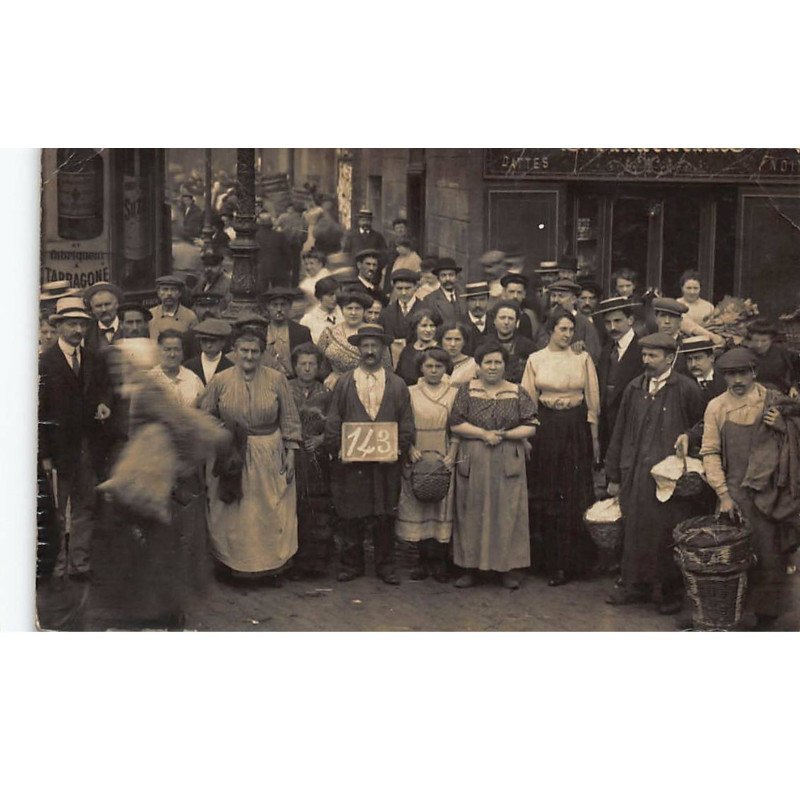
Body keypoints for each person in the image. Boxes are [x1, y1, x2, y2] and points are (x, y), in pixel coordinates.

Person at [605, 332, 706, 614]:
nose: (646, 361)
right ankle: (635, 586)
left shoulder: (685, 389)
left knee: (666, 531)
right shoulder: (634, 388)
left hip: (668, 476)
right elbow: (620, 430)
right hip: (635, 471)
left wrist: (688, 436)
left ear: (670, 358)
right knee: (634, 528)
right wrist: (614, 473)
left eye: (653, 356)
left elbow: (702, 425)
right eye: (644, 355)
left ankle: (669, 591)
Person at [700, 347, 799, 629]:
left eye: (743, 373)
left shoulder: (773, 402)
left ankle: (767, 616)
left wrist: (783, 427)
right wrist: (724, 495)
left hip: (770, 492)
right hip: (736, 492)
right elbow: (710, 452)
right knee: (737, 557)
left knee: (770, 555)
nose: (738, 380)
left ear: (754, 373)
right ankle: (735, 613)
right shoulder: (717, 407)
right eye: (731, 374)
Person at [201, 327, 303, 581]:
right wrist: (224, 433)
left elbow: (289, 417)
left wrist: (290, 453)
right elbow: (205, 415)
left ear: (262, 353)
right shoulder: (220, 380)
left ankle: (270, 567)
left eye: (254, 351)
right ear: (234, 352)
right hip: (230, 453)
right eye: (244, 351)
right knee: (232, 511)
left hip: (268, 449)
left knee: (267, 508)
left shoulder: (276, 379)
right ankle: (233, 566)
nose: (249, 356)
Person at [324, 324, 415, 585]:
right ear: (358, 349)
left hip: (386, 463)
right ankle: (351, 564)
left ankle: (385, 565)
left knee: (384, 512)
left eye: (375, 346)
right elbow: (334, 420)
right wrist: (338, 449)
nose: (370, 351)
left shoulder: (397, 384)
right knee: (351, 512)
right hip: (353, 463)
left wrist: (398, 448)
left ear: (383, 349)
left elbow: (406, 422)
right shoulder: (345, 382)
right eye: (365, 346)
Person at [449, 342, 539, 589]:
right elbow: (455, 424)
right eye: (487, 362)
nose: (492, 367)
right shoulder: (467, 390)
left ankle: (507, 568)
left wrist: (505, 435)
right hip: (474, 455)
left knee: (507, 511)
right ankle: (470, 568)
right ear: (478, 366)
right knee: (470, 510)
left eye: (497, 362)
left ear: (505, 366)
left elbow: (530, 425)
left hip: (507, 456)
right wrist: (482, 434)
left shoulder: (517, 391)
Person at [522, 311, 600, 586]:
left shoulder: (582, 358)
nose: (568, 334)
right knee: (548, 492)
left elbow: (592, 402)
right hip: (547, 429)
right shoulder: (536, 359)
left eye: (571, 329)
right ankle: (548, 562)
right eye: (562, 329)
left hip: (575, 428)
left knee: (573, 492)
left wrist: (594, 439)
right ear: (550, 330)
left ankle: (573, 563)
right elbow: (528, 401)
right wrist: (528, 437)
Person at [38, 297, 111, 580]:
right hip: (58, 449)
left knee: (85, 505)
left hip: (88, 446)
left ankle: (80, 563)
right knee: (56, 509)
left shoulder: (93, 358)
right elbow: (37, 411)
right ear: (58, 327)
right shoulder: (45, 363)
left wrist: (105, 404)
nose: (77, 329)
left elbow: (103, 391)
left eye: (81, 323)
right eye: (71, 324)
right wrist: (43, 454)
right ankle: (56, 566)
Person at [395, 348, 459, 581]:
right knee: (418, 502)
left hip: (442, 452)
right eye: (429, 366)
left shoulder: (453, 393)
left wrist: (452, 453)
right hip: (418, 452)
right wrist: (409, 449)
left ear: (446, 368)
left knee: (442, 504)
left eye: (439, 367)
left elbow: (457, 427)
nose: (434, 371)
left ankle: (439, 561)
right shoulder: (410, 392)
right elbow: (402, 423)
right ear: (421, 368)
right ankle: (421, 561)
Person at [288, 343, 334, 578]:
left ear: (318, 367)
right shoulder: (285, 389)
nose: (307, 369)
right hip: (291, 456)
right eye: (302, 364)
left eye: (311, 364)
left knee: (316, 507)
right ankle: (293, 562)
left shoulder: (326, 393)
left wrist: (321, 439)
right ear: (295, 366)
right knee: (292, 507)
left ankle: (316, 563)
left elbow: (336, 423)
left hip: (316, 459)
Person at [594, 297, 644, 460]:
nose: (612, 327)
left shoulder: (643, 350)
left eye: (617, 321)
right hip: (608, 425)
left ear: (630, 320)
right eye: (608, 322)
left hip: (632, 423)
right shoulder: (607, 349)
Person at [317, 290, 392, 389]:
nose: (353, 313)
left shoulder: (374, 332)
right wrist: (329, 376)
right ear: (342, 309)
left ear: (364, 311)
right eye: (349, 308)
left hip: (367, 386)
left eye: (358, 308)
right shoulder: (329, 333)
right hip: (335, 386)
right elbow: (319, 363)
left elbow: (386, 367)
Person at [260, 286, 313, 378]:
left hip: (292, 381)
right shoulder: (261, 331)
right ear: (268, 307)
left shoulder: (301, 332)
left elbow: (309, 359)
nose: (279, 309)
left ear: (290, 306)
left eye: (283, 305)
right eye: (275, 305)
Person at [545, 279, 602, 362]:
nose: (556, 300)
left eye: (561, 296)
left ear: (573, 300)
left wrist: (582, 349)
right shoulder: (547, 321)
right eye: (553, 296)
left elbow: (595, 355)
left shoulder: (585, 323)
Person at [486, 300, 536, 384]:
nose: (506, 322)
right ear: (494, 320)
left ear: (517, 322)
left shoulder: (528, 347)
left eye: (511, 318)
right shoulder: (484, 344)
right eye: (502, 318)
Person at [151, 330, 204, 407]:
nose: (172, 354)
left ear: (183, 352)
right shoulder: (150, 379)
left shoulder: (194, 379)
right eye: (167, 350)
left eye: (177, 349)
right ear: (158, 351)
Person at [747, 319, 796, 396]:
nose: (759, 345)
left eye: (764, 341)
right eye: (756, 340)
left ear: (771, 340)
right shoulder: (745, 354)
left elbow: (795, 371)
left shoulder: (782, 351)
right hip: (753, 394)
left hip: (780, 393)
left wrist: (794, 387)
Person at [394, 307, 442, 386]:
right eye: (424, 326)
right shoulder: (407, 350)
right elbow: (399, 377)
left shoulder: (441, 350)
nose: (428, 330)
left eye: (432, 326)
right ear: (416, 327)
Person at [379, 268, 428, 341]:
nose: (403, 293)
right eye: (399, 288)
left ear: (415, 287)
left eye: (407, 288)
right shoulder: (386, 313)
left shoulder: (427, 309)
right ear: (394, 288)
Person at [182, 318, 234, 386]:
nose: (208, 345)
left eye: (213, 341)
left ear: (223, 342)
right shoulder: (188, 366)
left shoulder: (231, 368)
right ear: (200, 341)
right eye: (204, 340)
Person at [497, 272, 544, 342]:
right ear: (504, 293)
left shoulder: (530, 315)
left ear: (524, 294)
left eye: (519, 292)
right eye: (511, 292)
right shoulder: (495, 314)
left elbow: (539, 338)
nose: (515, 296)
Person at [149, 275, 198, 340]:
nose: (169, 293)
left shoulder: (189, 316)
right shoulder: (150, 315)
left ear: (180, 293)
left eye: (173, 290)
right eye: (165, 289)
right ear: (158, 292)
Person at [255, 213, 293, 291]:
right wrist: (289, 266)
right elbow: (287, 253)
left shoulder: (255, 236)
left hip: (261, 268)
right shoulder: (280, 235)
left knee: (261, 292)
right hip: (278, 268)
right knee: (279, 291)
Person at [299, 276, 343, 344]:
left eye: (337, 294)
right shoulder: (307, 320)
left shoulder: (345, 315)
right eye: (330, 295)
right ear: (320, 296)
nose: (334, 298)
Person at [425, 257, 467, 328]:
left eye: (451, 275)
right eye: (443, 275)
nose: (448, 279)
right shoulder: (430, 300)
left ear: (456, 277)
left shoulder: (465, 294)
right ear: (438, 278)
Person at [83, 282, 124, 351]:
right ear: (92, 309)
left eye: (107, 304)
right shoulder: (86, 333)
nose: (104, 309)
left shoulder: (129, 325)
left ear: (116, 304)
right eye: (98, 306)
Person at [440, 322, 477, 386]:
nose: (453, 344)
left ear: (464, 341)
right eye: (448, 339)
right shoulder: (432, 363)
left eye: (457, 339)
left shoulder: (473, 365)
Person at [462, 280, 491, 355]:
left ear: (488, 300)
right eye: (473, 300)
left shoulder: (495, 321)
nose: (477, 305)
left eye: (482, 300)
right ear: (467, 302)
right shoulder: (459, 323)